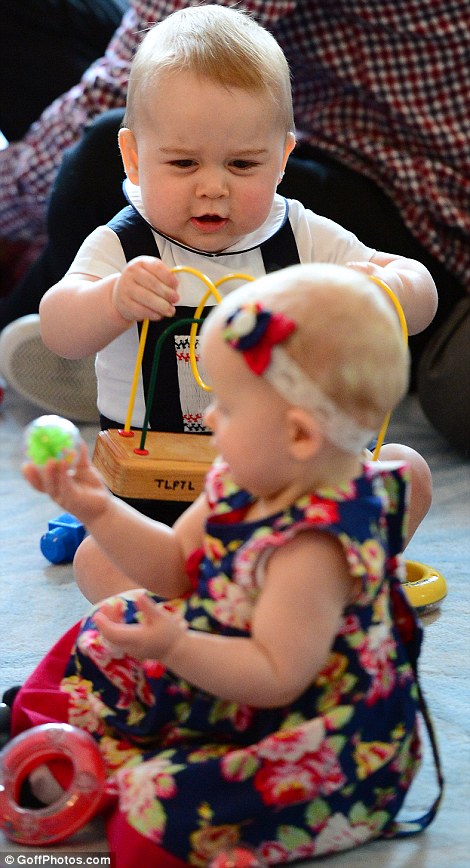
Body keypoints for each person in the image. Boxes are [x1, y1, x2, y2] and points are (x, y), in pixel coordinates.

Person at [16, 262, 441, 865]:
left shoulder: (314, 548)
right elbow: (172, 568)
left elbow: (274, 676)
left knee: (152, 810)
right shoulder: (242, 477)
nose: (210, 420)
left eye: (229, 407)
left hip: (300, 727)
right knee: (104, 630)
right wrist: (95, 509)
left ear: (297, 434)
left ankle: (112, 778)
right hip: (218, 660)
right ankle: (69, 748)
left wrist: (176, 646)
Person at [25, 5, 434, 545]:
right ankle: (205, 574)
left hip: (284, 477)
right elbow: (57, 329)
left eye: (242, 165)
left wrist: (385, 289)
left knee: (406, 471)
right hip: (160, 487)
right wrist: (111, 301)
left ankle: (343, 568)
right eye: (183, 164)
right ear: (132, 157)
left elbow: (419, 293)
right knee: (97, 564)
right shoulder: (124, 244)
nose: (213, 186)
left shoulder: (300, 236)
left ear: (283, 157)